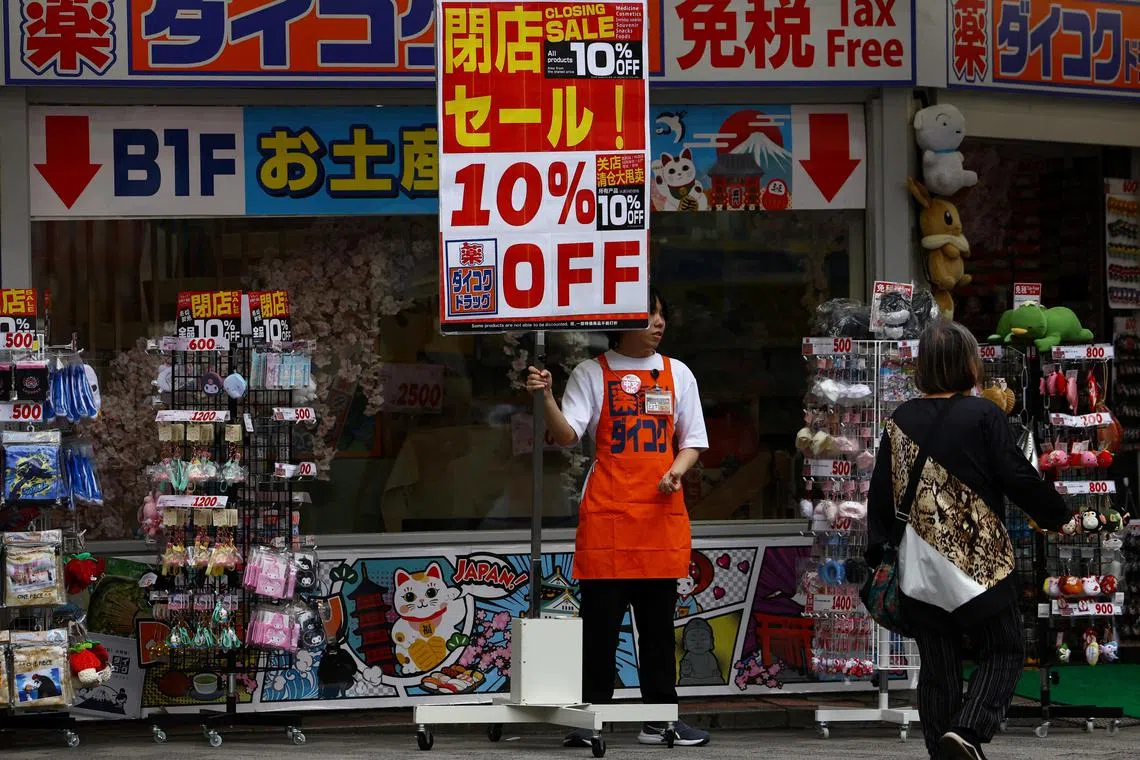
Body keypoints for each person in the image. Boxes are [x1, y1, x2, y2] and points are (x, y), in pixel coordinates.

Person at [865, 320, 1068, 760]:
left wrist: (876, 551)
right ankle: (969, 731)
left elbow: (881, 494)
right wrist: (1058, 515)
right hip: (979, 562)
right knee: (1006, 647)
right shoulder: (984, 415)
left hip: (919, 564)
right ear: (968, 364)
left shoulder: (900, 418)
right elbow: (1017, 477)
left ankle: (945, 750)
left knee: (938, 668)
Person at [527, 289, 710, 747]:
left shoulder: (677, 373)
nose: (658, 322)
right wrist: (547, 395)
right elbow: (567, 435)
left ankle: (660, 718)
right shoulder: (592, 372)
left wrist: (675, 471)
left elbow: (692, 440)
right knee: (600, 629)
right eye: (649, 314)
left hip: (659, 517)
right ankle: (592, 720)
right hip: (608, 515)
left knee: (656, 628)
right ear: (621, 319)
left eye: (661, 313)